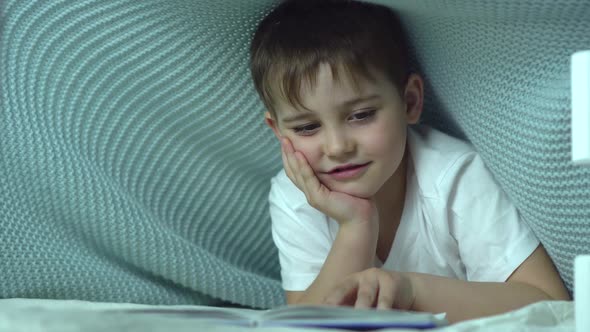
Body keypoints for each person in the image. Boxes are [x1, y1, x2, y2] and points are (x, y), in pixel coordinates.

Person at [249, 0, 570, 323]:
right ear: (278, 131)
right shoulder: (293, 197)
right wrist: (355, 226)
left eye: (361, 115)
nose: (337, 147)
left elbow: (551, 303)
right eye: (307, 127)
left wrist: (412, 291)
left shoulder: (455, 177)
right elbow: (303, 326)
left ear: (410, 102)